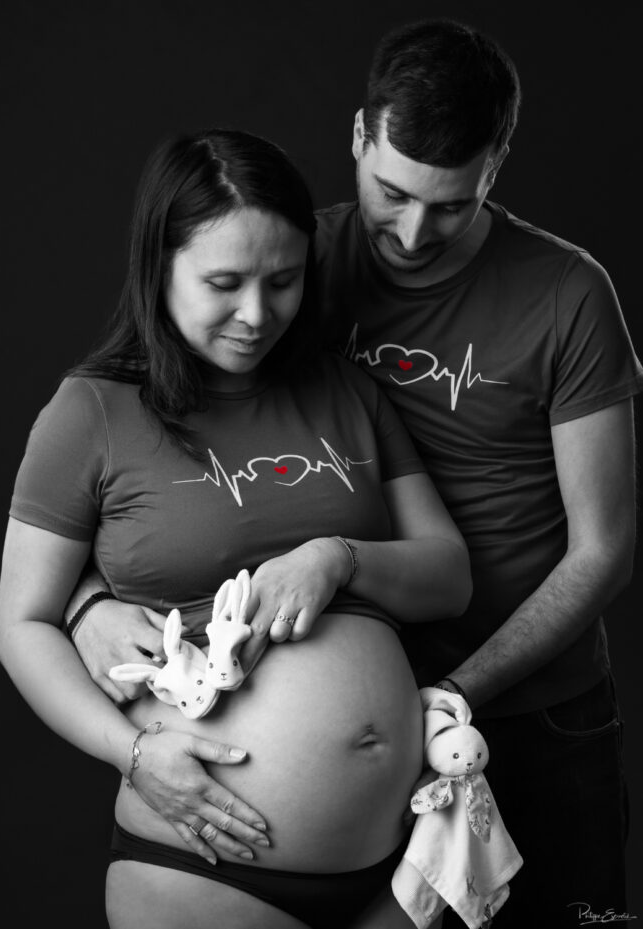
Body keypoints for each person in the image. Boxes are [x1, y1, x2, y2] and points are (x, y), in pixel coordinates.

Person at [66, 18, 643, 927]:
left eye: (451, 205)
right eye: (391, 193)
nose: (412, 232)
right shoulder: (289, 265)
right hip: (335, 727)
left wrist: (455, 694)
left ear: (496, 163)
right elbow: (137, 447)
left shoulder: (570, 294)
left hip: (533, 714)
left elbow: (604, 548)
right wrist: (87, 599)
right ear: (358, 137)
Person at [0, 127, 472, 929]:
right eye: (224, 282)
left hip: (408, 863)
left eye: (283, 280)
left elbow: (449, 576)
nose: (258, 314)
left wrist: (337, 558)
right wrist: (134, 754)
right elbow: (19, 623)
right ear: (161, 268)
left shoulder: (342, 391)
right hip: (204, 873)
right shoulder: (92, 412)